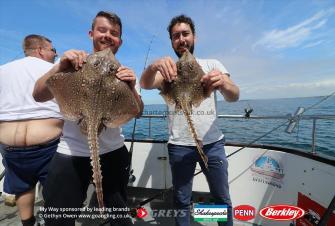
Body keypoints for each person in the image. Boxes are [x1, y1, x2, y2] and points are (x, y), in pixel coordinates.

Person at [33, 11, 143, 226]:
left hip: (113, 153)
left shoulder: (124, 74)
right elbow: (38, 94)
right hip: (70, 154)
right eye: (102, 30)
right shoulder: (74, 66)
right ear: (91, 33)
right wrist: (60, 67)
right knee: (58, 219)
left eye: (114, 33)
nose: (107, 36)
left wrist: (131, 87)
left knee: (119, 217)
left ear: (120, 40)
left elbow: (137, 111)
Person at [140, 15, 240, 226]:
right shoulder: (168, 70)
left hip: (212, 144)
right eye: (176, 36)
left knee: (221, 199)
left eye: (185, 34)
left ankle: (213, 218)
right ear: (172, 42)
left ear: (194, 37)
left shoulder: (211, 64)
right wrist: (154, 66)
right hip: (179, 147)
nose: (181, 39)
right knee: (182, 200)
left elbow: (234, 96)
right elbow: (145, 84)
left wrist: (222, 83)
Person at [0, 34, 62, 226]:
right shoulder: (55, 69)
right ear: (41, 50)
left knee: (23, 187)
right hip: (49, 145)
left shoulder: (3, 70)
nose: (55, 54)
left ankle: (28, 223)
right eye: (53, 50)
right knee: (55, 190)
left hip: (9, 146)